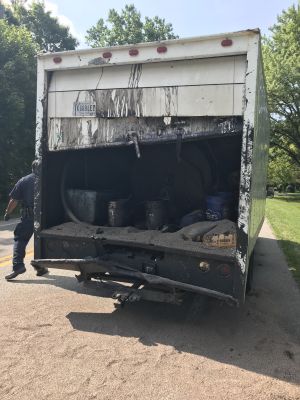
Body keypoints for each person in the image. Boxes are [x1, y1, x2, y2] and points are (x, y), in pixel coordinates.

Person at [4, 161, 48, 280]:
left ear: (32, 168)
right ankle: (39, 266)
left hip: (29, 216)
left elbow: (14, 200)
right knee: (41, 241)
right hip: (47, 217)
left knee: (20, 238)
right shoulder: (49, 179)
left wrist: (7, 213)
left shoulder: (24, 180)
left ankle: (18, 266)